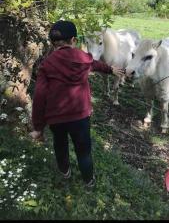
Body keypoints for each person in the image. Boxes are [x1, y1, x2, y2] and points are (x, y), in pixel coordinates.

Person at [30, 20, 124, 190]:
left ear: (52, 42)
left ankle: (65, 173)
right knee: (84, 151)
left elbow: (39, 98)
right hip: (81, 117)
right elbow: (94, 64)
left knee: (60, 146)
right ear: (73, 39)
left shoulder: (46, 64)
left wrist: (38, 127)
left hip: (56, 119)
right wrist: (110, 69)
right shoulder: (83, 58)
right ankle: (89, 182)